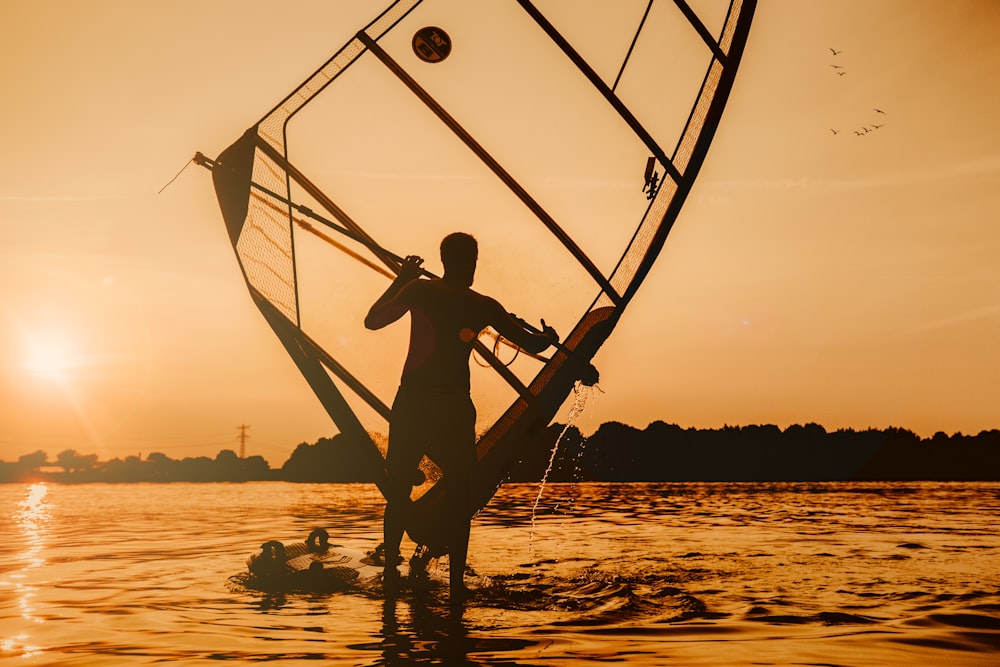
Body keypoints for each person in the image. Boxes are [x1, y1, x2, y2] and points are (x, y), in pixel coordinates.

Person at [365, 232, 557, 602]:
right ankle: (455, 585)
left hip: (415, 402)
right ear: (469, 262)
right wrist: (547, 335)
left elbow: (373, 320)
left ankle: (391, 574)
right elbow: (533, 344)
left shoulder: (420, 291)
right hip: (451, 405)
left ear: (443, 260)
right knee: (459, 493)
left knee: (400, 487)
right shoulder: (482, 304)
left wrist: (402, 278)